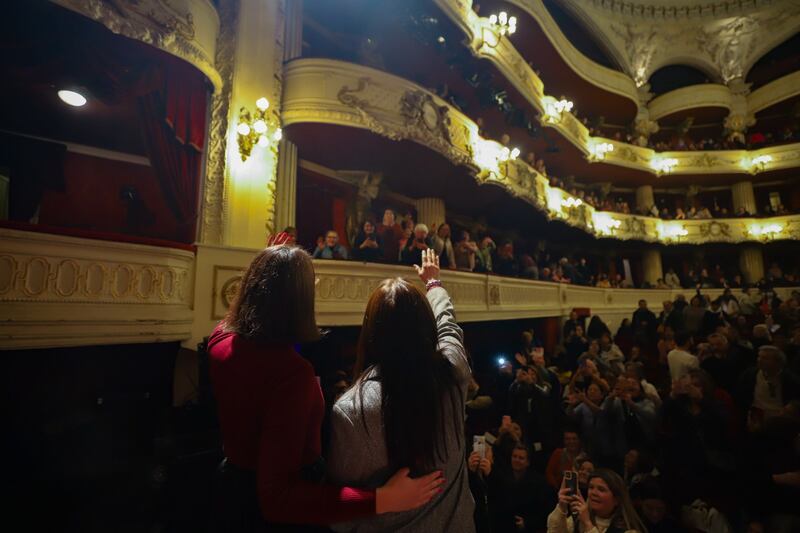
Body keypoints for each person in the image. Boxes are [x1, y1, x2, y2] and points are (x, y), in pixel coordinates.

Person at [208, 246, 443, 529]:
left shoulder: (219, 338)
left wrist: (278, 259)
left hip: (231, 484)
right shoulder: (291, 377)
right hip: (276, 516)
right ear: (297, 301)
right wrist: (384, 499)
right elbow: (278, 497)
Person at [327, 249, 475, 532]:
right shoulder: (453, 371)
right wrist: (433, 283)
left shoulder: (352, 410)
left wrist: (380, 499)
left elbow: (341, 518)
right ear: (426, 328)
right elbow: (448, 323)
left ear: (371, 332)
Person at [548, 468, 646, 532]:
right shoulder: (577, 519)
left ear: (617, 499)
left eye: (601, 489)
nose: (593, 493)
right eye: (591, 487)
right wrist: (562, 507)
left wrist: (587, 524)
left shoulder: (628, 530)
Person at [488, 444, 555, 532]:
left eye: (521, 458)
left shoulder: (539, 483)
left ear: (528, 462)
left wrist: (527, 523)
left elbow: (545, 510)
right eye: (514, 456)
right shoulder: (502, 477)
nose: (516, 460)